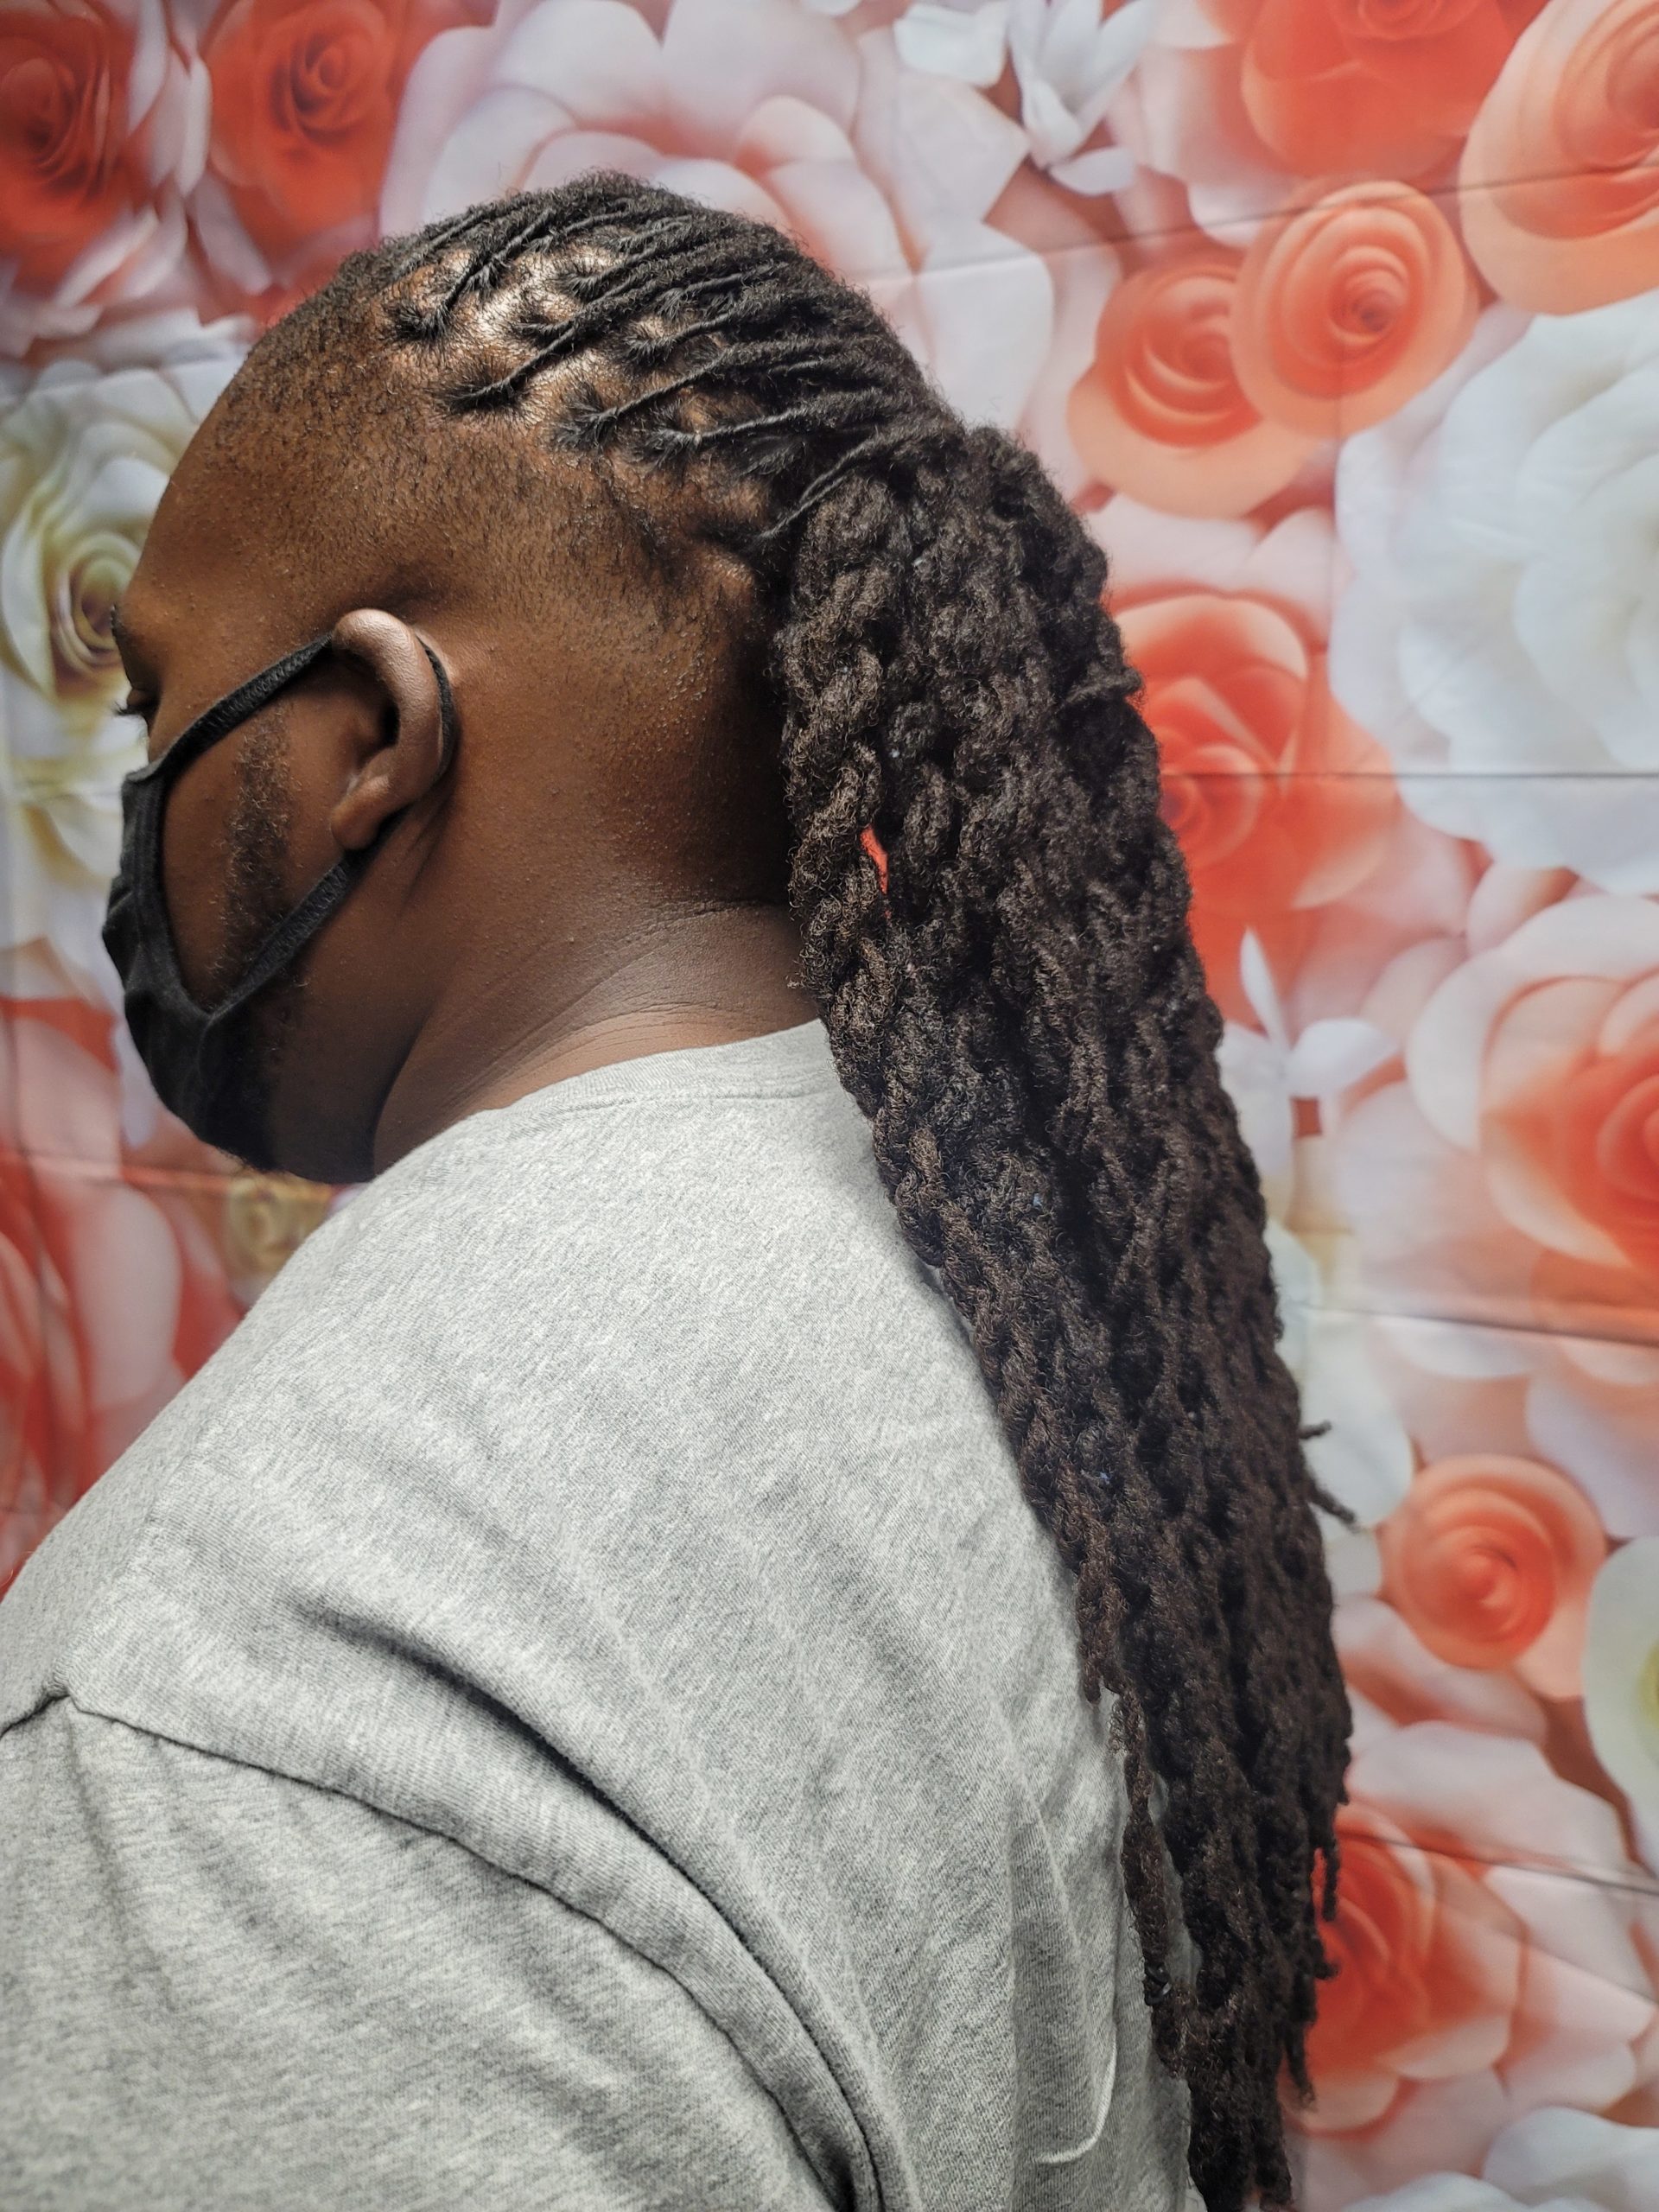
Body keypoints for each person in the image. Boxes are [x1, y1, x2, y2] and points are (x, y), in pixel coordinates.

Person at [0, 175, 1352, 2212]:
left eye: (161, 702)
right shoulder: (1022, 1273)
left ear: (371, 736)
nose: (144, 793)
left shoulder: (243, 1692)